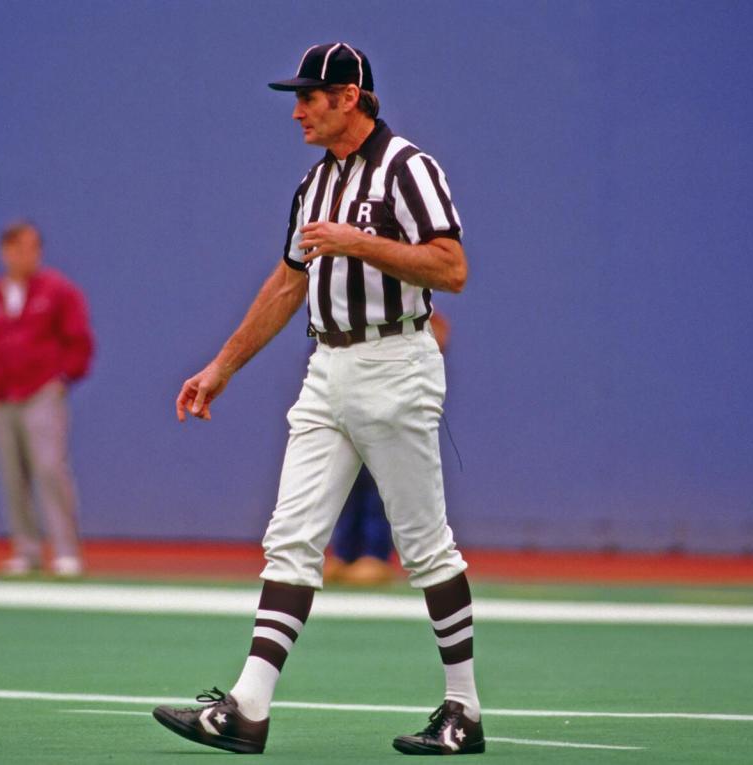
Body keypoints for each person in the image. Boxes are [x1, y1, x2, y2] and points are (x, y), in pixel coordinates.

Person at [155, 43, 483, 756]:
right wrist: (221, 366)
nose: (298, 109)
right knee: (291, 535)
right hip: (326, 365)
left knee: (424, 546)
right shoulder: (314, 183)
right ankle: (247, 706)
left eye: (310, 96)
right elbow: (286, 283)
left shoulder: (409, 168)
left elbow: (450, 266)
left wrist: (359, 242)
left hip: (395, 359)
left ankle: (464, 707)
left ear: (349, 98)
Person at [0, 221, 94, 577]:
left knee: (49, 468)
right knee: (11, 473)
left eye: (34, 248)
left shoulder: (57, 291)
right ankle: (26, 549)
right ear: (6, 252)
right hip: (0, 395)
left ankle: (66, 550)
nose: (29, 255)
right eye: (21, 248)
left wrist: (61, 379)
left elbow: (79, 339)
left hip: (41, 391)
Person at [325, 310, 451, 586]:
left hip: (385, 379)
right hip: (342, 369)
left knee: (380, 473)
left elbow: (437, 326)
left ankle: (376, 552)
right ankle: (344, 551)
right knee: (342, 471)